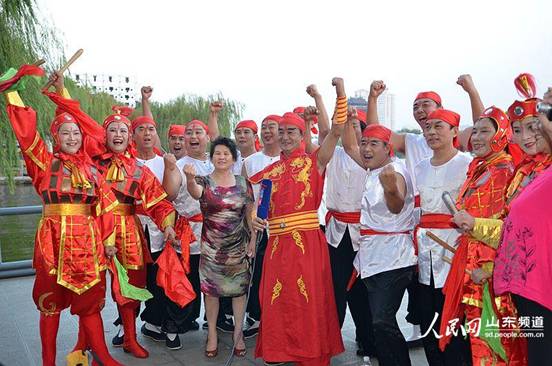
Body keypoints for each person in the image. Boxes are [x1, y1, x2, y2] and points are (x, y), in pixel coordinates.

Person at [45, 74, 181, 359]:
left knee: (129, 287)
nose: (118, 134)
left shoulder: (138, 171)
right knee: (88, 289)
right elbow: (77, 124)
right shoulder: (90, 163)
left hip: (128, 232)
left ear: (128, 137)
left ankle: (130, 338)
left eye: (123, 130)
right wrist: (62, 92)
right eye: (113, 130)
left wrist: (168, 225)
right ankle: (84, 344)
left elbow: (158, 202)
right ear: (103, 137)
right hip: (91, 231)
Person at [2, 72, 122, 366]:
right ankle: (48, 361)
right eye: (65, 133)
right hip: (52, 242)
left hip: (88, 244)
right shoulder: (44, 162)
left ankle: (102, 356)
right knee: (49, 304)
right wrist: (11, 94)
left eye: (76, 133)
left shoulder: (93, 170)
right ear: (55, 136)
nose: (72, 137)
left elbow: (105, 206)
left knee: (91, 304)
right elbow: (27, 136)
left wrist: (108, 241)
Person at [250, 77, 347, 366]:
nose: (286, 136)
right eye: (282, 132)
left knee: (309, 300)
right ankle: (283, 350)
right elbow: (260, 212)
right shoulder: (269, 172)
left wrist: (336, 93)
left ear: (303, 133)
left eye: (292, 131)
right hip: (278, 245)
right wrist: (254, 224)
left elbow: (336, 130)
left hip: (307, 241)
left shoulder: (314, 161)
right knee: (279, 300)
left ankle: (312, 354)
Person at [453, 93, 552, 365]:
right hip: (518, 281)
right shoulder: (522, 172)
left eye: (534, 126)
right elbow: (511, 229)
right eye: (518, 130)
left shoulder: (532, 171)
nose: (526, 136)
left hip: (541, 281)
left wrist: (475, 226)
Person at [440, 106, 525, 365]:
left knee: (495, 341)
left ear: (502, 135)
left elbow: (508, 228)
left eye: (485, 131)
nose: (476, 137)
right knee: (479, 338)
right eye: (474, 131)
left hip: (489, 273)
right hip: (473, 265)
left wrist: (490, 268)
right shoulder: (481, 168)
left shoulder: (503, 172)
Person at [343, 121, 416, 366]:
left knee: (381, 320)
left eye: (374, 143)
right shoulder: (372, 170)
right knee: (377, 321)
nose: (366, 148)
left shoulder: (394, 172)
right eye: (364, 143)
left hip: (394, 257)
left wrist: (391, 191)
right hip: (369, 257)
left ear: (388, 148)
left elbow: (396, 207)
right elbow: (347, 144)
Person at [312, 84, 375, 358]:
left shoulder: (369, 160)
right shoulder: (333, 155)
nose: (352, 129)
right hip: (336, 231)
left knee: (363, 290)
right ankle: (329, 340)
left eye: (356, 125)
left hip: (365, 233)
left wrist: (347, 94)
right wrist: (318, 97)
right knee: (334, 289)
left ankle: (367, 340)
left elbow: (355, 138)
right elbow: (328, 132)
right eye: (349, 124)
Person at [184, 137, 257, 358]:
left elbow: (249, 213)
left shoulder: (243, 183)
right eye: (217, 153)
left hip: (238, 246)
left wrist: (253, 239)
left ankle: (238, 334)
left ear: (233, 158)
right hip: (212, 248)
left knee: (238, 292)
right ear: (212, 157)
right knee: (211, 293)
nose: (222, 157)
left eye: (226, 153)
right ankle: (212, 334)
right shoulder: (204, 181)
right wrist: (188, 178)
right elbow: (195, 192)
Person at [413, 109, 472, 365]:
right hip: (424, 250)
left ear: (454, 132)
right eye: (428, 128)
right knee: (429, 319)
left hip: (455, 247)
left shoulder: (467, 163)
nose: (432, 132)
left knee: (455, 320)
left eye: (439, 126)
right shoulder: (419, 167)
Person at [134, 87, 187, 350]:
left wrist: (146, 102)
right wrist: (144, 101)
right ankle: (140, 323)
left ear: (156, 136)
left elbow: (168, 195)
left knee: (165, 277)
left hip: (162, 226)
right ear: (133, 135)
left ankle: (171, 326)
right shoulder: (125, 162)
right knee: (138, 278)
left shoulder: (165, 160)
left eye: (151, 130)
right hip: (132, 228)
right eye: (141, 130)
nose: (146, 134)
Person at [241, 114, 282, 338]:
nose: (267, 132)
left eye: (272, 127)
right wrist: (251, 223)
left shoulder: (290, 160)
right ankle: (257, 318)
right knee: (256, 276)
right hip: (258, 226)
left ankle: (278, 319)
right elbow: (246, 198)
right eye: (264, 128)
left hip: (283, 227)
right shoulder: (250, 162)